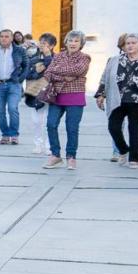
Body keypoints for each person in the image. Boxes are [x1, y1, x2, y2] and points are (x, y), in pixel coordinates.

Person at [95, 33, 138, 168]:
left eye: (133, 43)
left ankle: (134, 159)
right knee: (113, 127)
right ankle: (123, 150)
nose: (130, 45)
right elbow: (104, 78)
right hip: (117, 99)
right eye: (127, 43)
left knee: (135, 130)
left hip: (137, 101)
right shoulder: (114, 60)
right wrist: (101, 94)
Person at [41, 31, 91, 170]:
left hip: (75, 96)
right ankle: (55, 155)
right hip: (57, 96)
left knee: (72, 128)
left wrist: (58, 72)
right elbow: (48, 73)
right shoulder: (58, 56)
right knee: (51, 124)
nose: (73, 43)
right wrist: (64, 76)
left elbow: (78, 70)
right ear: (66, 42)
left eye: (76, 41)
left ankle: (71, 157)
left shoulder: (85, 57)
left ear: (81, 44)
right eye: (70, 40)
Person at [0, 29, 27, 145]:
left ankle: (14, 134)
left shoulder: (19, 50)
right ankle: (5, 134)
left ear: (12, 38)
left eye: (6, 36)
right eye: (2, 36)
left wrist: (20, 80)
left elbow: (26, 66)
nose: (3, 38)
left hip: (14, 84)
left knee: (13, 108)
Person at [21, 34, 56, 155]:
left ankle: (48, 146)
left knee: (49, 122)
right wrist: (36, 71)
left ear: (52, 46)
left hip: (50, 93)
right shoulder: (33, 57)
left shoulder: (56, 58)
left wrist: (46, 58)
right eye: (41, 42)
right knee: (36, 121)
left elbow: (52, 70)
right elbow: (27, 73)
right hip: (35, 92)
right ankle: (37, 144)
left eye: (45, 43)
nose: (42, 45)